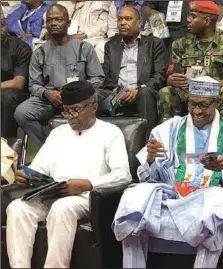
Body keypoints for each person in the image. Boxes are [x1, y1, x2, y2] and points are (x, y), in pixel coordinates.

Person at [112, 76, 223, 268]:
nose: (197, 111)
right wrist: (150, 160)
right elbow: (149, 177)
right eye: (192, 104)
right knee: (133, 197)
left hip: (207, 199)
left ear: (216, 103)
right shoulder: (168, 128)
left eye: (203, 105)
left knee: (218, 203)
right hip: (173, 196)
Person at [6, 81, 132, 268]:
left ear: (94, 106)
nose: (70, 116)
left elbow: (123, 175)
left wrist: (88, 184)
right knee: (17, 208)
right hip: (52, 193)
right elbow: (40, 167)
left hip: (86, 197)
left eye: (76, 110)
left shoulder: (110, 133)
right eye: (66, 111)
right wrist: (27, 175)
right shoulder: (58, 133)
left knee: (62, 208)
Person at [14, 4, 106, 149]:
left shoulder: (84, 48)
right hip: (50, 100)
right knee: (22, 112)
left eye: (58, 19)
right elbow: (33, 84)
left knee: (94, 100)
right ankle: (48, 149)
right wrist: (46, 93)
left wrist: (77, 92)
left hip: (78, 100)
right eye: (50, 20)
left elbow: (98, 78)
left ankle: (85, 149)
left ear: (68, 23)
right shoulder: (40, 52)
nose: (53, 23)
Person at [158, 1, 223, 119]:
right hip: (189, 92)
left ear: (207, 21)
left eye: (193, 16)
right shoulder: (180, 44)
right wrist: (171, 80)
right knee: (166, 92)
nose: (188, 20)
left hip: (216, 92)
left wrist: (209, 86)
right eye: (188, 16)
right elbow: (173, 77)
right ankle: (167, 134)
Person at [103, 7, 167, 135]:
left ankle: (148, 142)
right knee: (94, 93)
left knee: (145, 92)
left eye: (128, 19)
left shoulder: (154, 43)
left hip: (143, 93)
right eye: (120, 19)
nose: (122, 23)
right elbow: (106, 76)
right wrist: (119, 91)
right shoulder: (111, 45)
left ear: (140, 23)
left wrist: (137, 91)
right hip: (118, 94)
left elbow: (160, 75)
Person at [148, 1, 223, 57]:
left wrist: (208, 19)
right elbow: (146, 7)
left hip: (194, 32)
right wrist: (153, 13)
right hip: (164, 32)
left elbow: (220, 9)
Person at [1, 11, 32, 139]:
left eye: (2, 24)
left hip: (15, 94)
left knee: (5, 96)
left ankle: (5, 144)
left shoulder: (20, 48)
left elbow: (18, 83)